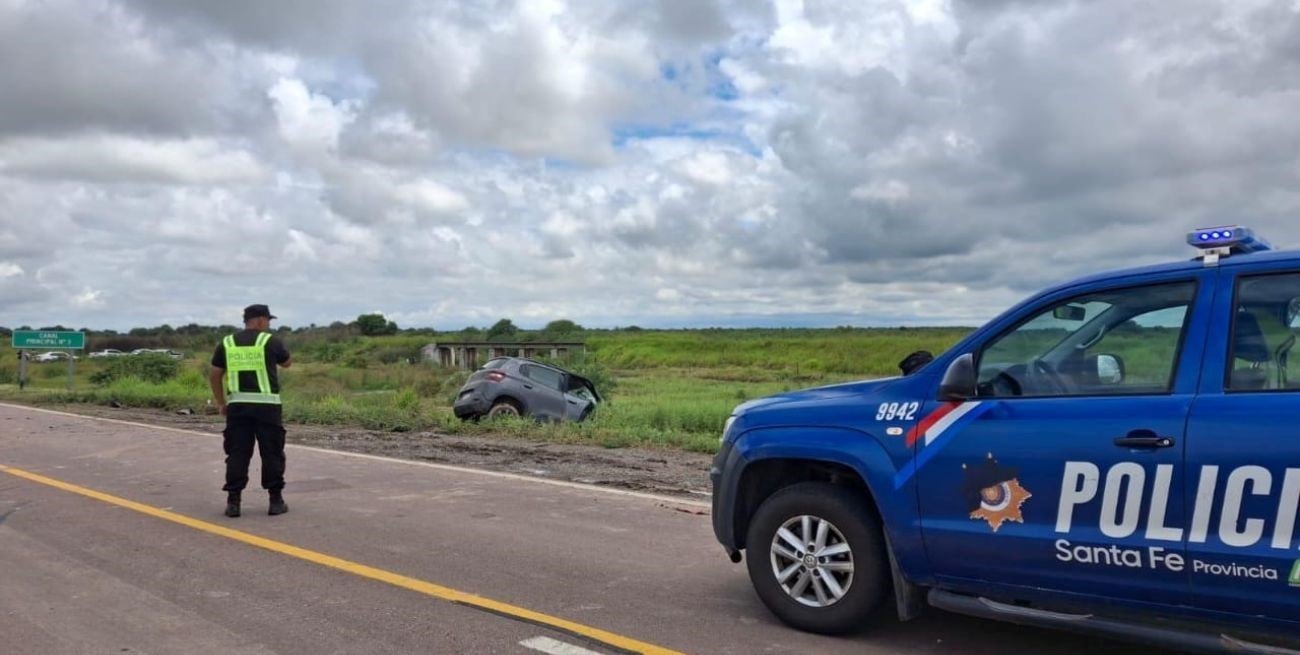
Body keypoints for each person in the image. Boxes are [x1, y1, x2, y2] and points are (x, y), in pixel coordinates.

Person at [208, 304, 292, 518]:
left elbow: (215, 374)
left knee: (237, 453)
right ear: (261, 320)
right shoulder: (270, 341)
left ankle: (233, 502)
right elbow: (287, 363)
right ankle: (275, 501)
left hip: (238, 407)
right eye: (268, 321)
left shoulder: (227, 343)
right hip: (268, 408)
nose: (269, 325)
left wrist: (221, 402)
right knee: (272, 452)